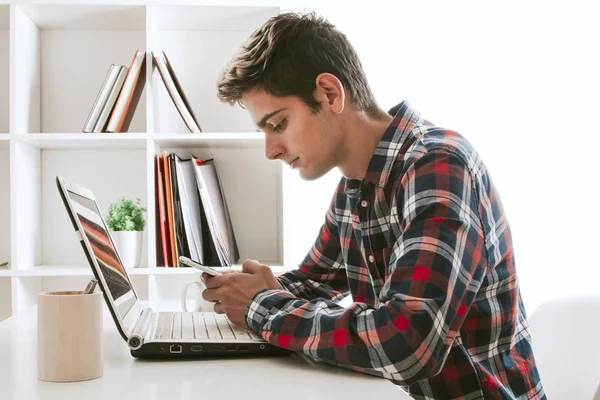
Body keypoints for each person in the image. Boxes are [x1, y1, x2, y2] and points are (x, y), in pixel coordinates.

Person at [204, 11, 546, 400]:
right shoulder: (356, 184)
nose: (270, 151)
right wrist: (251, 289)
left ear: (329, 94)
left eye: (278, 124)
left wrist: (261, 306)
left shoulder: (438, 165)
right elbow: (314, 283)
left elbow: (407, 343)